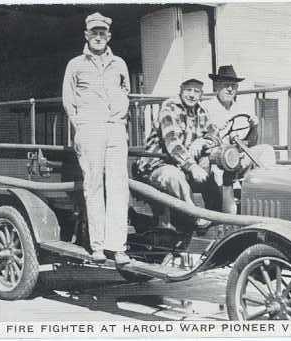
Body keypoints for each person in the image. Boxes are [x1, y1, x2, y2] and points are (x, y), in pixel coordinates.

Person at [62, 12, 131, 264]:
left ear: (109, 36)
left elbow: (126, 92)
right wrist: (80, 126)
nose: (99, 37)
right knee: (94, 186)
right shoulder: (75, 64)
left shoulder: (120, 64)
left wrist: (120, 116)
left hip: (115, 128)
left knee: (118, 186)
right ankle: (98, 246)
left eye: (103, 33)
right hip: (90, 129)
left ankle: (118, 247)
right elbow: (68, 100)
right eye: (94, 33)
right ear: (86, 35)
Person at [134, 78, 220, 230]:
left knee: (212, 173)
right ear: (181, 90)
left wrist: (203, 141)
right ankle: (195, 217)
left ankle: (219, 217)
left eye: (196, 91)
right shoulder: (169, 107)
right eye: (188, 90)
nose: (192, 95)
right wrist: (192, 166)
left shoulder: (201, 111)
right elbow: (172, 142)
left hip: (182, 165)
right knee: (174, 175)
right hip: (157, 165)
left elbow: (215, 133)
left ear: (201, 94)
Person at [202, 65, 276, 213]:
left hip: (238, 155)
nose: (230, 89)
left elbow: (251, 142)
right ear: (217, 86)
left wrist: (254, 127)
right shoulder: (206, 107)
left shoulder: (242, 108)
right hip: (216, 158)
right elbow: (203, 138)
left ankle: (267, 197)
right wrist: (216, 129)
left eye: (233, 86)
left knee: (266, 150)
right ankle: (227, 213)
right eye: (226, 85)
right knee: (229, 162)